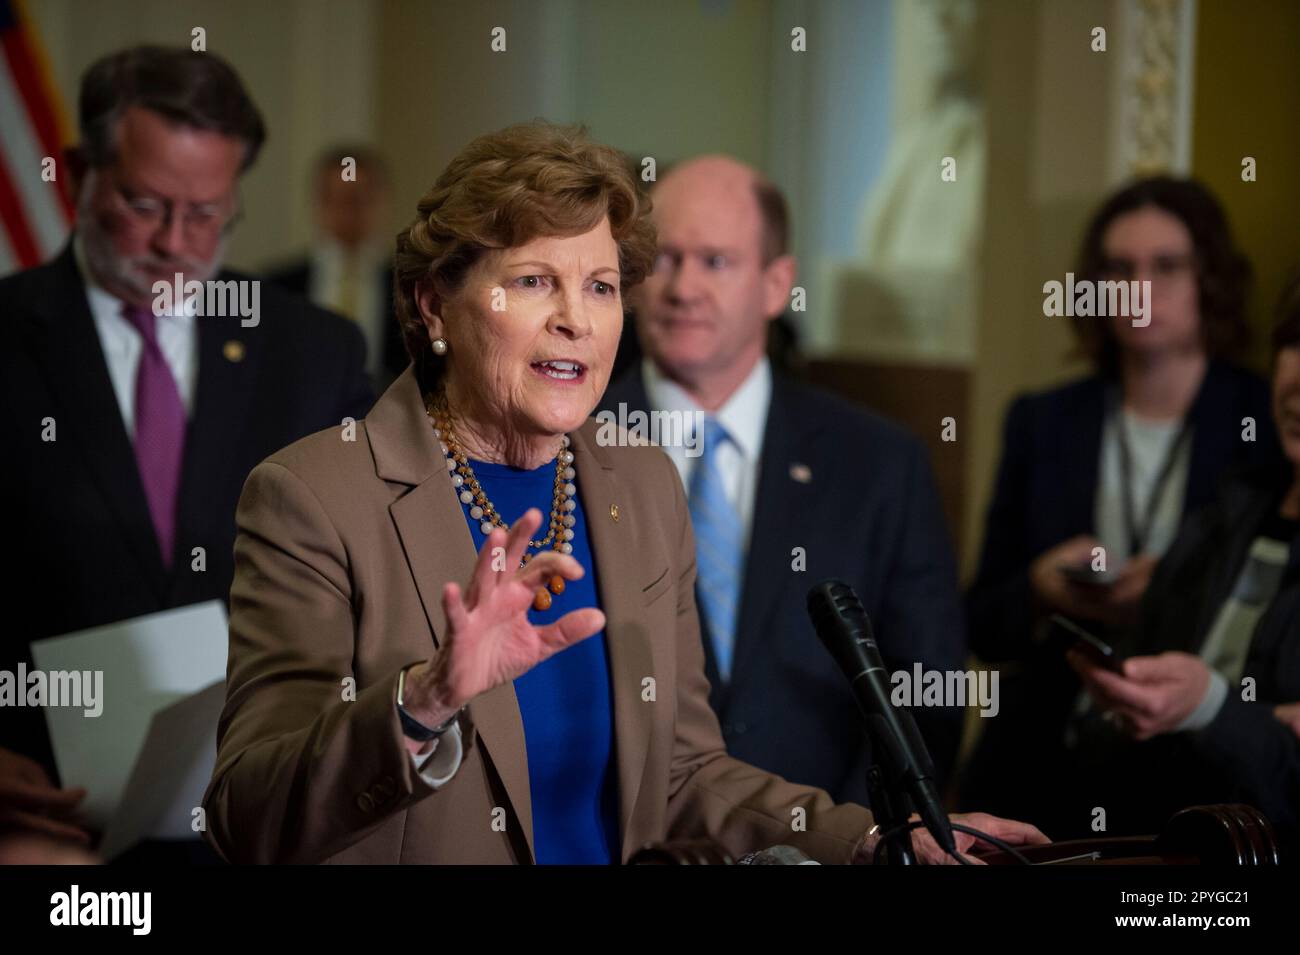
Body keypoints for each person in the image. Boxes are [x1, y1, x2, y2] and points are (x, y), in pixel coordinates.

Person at [202, 122, 1043, 864]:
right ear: (433, 305)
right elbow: (248, 819)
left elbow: (685, 772)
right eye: (533, 281)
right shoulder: (313, 496)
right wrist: (425, 702)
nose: (578, 318)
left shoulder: (640, 482)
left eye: (601, 286)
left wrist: (871, 842)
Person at [0, 45, 372, 851]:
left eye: (205, 213)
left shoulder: (314, 352)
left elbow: (372, 568)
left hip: (266, 808)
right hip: (45, 814)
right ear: (77, 173)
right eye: (144, 204)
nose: (174, 241)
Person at [599, 156, 966, 803]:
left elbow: (928, 693)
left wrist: (852, 840)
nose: (683, 287)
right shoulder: (570, 445)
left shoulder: (880, 462)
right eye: (664, 259)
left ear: (777, 284)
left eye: (715, 261)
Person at [961, 177, 1283, 824]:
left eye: (1166, 266)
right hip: (1041, 756)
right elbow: (979, 621)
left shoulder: (1266, 417)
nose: (1140, 289)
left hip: (1195, 771)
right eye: (1119, 269)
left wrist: (1175, 584)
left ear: (1210, 279)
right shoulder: (1042, 419)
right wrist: (1041, 589)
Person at [1064, 277, 1300, 849]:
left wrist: (1211, 706)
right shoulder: (1225, 514)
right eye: (1292, 344)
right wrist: (1131, 700)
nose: (1295, 387)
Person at [266, 146, 406, 391]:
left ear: (381, 202)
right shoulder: (278, 287)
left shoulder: (412, 286)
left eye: (359, 199)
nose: (348, 212)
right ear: (319, 203)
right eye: (337, 199)